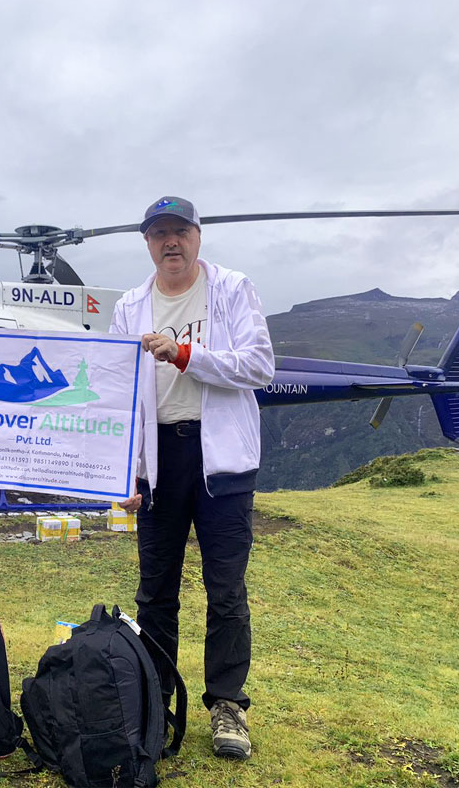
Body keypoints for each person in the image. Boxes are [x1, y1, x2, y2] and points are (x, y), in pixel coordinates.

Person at [109, 196, 274, 760]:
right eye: (159, 234)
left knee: (225, 588)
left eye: (180, 231)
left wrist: (184, 353)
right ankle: (155, 699)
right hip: (161, 459)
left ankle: (226, 704)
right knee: (155, 591)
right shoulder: (130, 305)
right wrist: (126, 470)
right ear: (147, 243)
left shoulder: (232, 288)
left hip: (222, 457)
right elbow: (122, 396)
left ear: (198, 237)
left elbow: (259, 365)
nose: (170, 242)